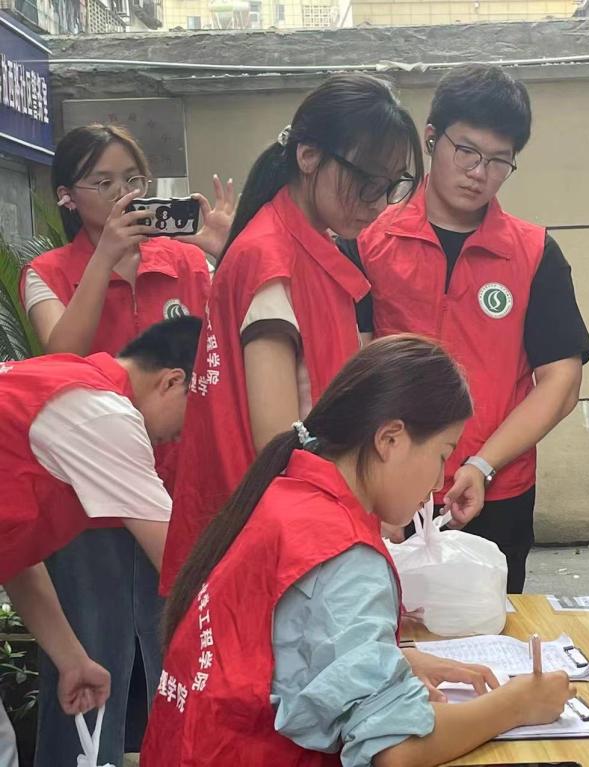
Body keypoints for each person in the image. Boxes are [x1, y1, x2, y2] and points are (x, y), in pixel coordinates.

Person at [142, 336, 574, 767]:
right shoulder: (343, 551)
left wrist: (389, 661)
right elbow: (396, 752)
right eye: (442, 455)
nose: (438, 482)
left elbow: (284, 640)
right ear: (390, 439)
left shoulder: (288, 495)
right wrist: (517, 704)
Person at [18, 124, 233, 765]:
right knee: (91, 652)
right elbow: (61, 357)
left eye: (133, 180)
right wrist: (105, 258)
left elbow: (222, 356)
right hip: (81, 503)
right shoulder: (46, 272)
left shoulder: (186, 262)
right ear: (66, 196)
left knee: (184, 652)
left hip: (178, 486)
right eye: (103, 182)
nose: (122, 195)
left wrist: (225, 256)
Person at [160, 74, 425, 593]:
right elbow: (279, 442)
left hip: (277, 524)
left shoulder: (300, 245)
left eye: (392, 185)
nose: (378, 202)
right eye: (368, 180)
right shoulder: (272, 259)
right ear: (308, 156)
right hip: (270, 539)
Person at [339, 64, 589, 594]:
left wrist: (483, 464)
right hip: (386, 486)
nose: (480, 172)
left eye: (500, 161)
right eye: (467, 151)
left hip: (494, 491)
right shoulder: (369, 242)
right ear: (432, 138)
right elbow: (349, 366)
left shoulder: (534, 253)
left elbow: (561, 382)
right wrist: (371, 480)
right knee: (384, 623)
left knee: (492, 626)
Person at [0, 317, 201, 766]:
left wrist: (72, 658)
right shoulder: (104, 414)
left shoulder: (64, 388)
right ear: (173, 382)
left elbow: (13, 554)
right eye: (195, 415)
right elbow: (183, 564)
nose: (181, 438)